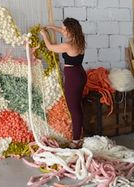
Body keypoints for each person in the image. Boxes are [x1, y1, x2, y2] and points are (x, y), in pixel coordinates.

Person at [40, 17, 87, 145]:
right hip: (80, 74)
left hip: (74, 78)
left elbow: (50, 47)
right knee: (77, 106)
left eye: (65, 29)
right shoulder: (79, 39)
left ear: (71, 30)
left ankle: (76, 140)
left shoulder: (68, 45)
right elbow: (62, 31)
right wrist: (52, 27)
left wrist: (44, 34)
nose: (63, 31)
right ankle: (80, 135)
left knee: (74, 108)